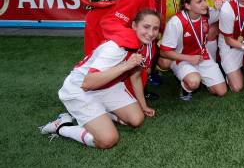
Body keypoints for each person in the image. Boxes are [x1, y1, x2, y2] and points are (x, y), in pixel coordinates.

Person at [39, 9, 159, 149]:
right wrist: (126, 65)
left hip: (109, 86)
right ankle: (62, 126)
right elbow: (88, 83)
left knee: (137, 119)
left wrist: (143, 106)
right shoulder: (116, 47)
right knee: (108, 140)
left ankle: (103, 112)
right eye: (146, 27)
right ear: (134, 26)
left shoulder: (147, 45)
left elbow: (136, 75)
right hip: (80, 90)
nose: (151, 33)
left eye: (155, 28)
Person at [160, 0, 226, 100]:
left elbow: (226, 8)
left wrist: (222, 1)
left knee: (221, 91)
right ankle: (186, 88)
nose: (205, 4)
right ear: (188, 6)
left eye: (204, 0)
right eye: (199, 2)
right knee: (194, 82)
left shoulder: (207, 14)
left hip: (202, 56)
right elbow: (164, 52)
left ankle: (202, 77)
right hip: (181, 59)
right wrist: (189, 58)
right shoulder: (176, 22)